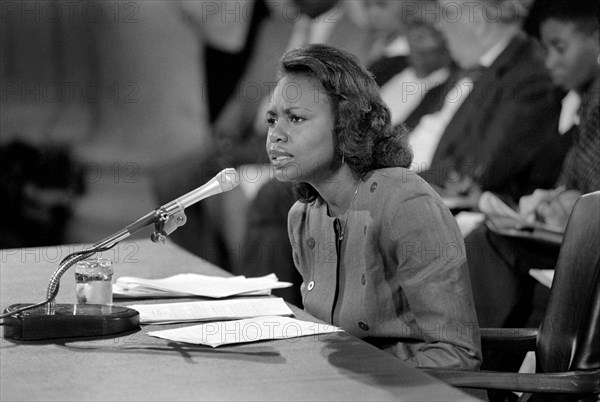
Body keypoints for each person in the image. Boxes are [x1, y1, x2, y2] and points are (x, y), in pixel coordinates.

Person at [267, 44, 481, 369]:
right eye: (272, 119)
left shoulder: (405, 203)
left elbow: (457, 355)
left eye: (295, 118)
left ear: (347, 123)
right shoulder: (303, 217)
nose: (275, 135)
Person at [418, 0, 568, 207]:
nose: (438, 24)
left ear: (479, 22)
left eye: (445, 13)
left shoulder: (530, 79)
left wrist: (399, 180)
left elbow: (479, 171)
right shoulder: (469, 68)